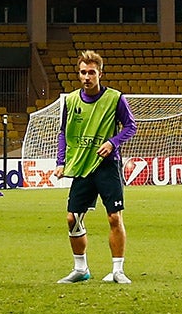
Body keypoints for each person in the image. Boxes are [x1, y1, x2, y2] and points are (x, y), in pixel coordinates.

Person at [52, 50, 136, 284]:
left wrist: (112, 142)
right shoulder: (70, 101)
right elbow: (64, 133)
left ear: (100, 73)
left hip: (107, 166)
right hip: (81, 165)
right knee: (72, 218)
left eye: (91, 72)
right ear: (78, 74)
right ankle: (81, 269)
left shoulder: (115, 98)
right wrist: (61, 162)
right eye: (83, 72)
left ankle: (117, 270)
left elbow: (130, 127)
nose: (87, 77)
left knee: (114, 217)